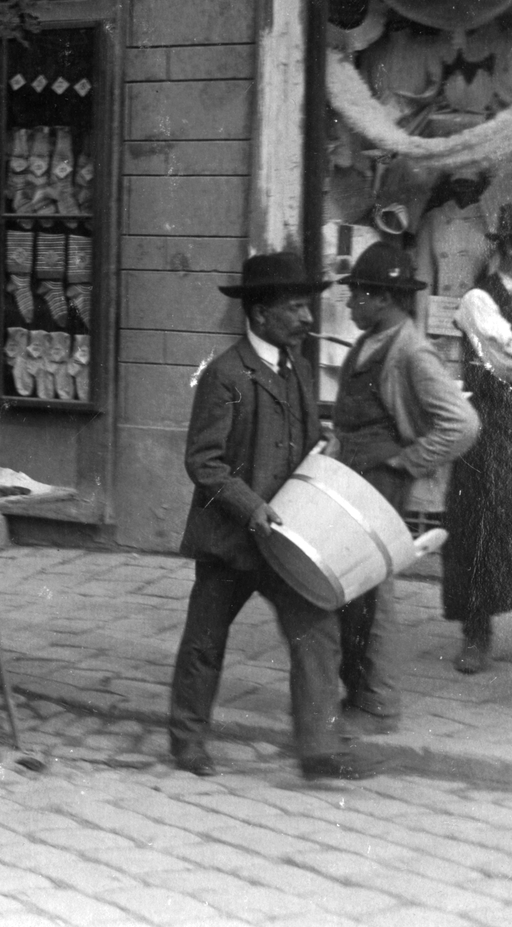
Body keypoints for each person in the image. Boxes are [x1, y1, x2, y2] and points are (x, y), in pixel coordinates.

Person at [167, 252, 384, 781]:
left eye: (307, 307)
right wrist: (251, 506)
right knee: (205, 641)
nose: (309, 319)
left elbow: (301, 444)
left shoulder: (300, 370)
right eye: (296, 308)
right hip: (230, 539)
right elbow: (204, 461)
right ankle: (188, 740)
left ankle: (317, 748)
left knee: (317, 630)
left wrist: (323, 446)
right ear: (261, 314)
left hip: (288, 540)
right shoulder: (224, 375)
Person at [329, 243, 478, 727]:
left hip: (381, 484)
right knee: (349, 591)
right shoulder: (371, 339)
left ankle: (379, 703)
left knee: (372, 593)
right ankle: (359, 695)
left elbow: (462, 424)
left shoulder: (411, 351)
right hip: (353, 478)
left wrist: (409, 460)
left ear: (381, 298)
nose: (350, 305)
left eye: (356, 296)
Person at [445, 204, 512, 673]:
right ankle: (476, 631)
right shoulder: (478, 301)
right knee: (480, 521)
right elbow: (505, 357)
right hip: (490, 427)